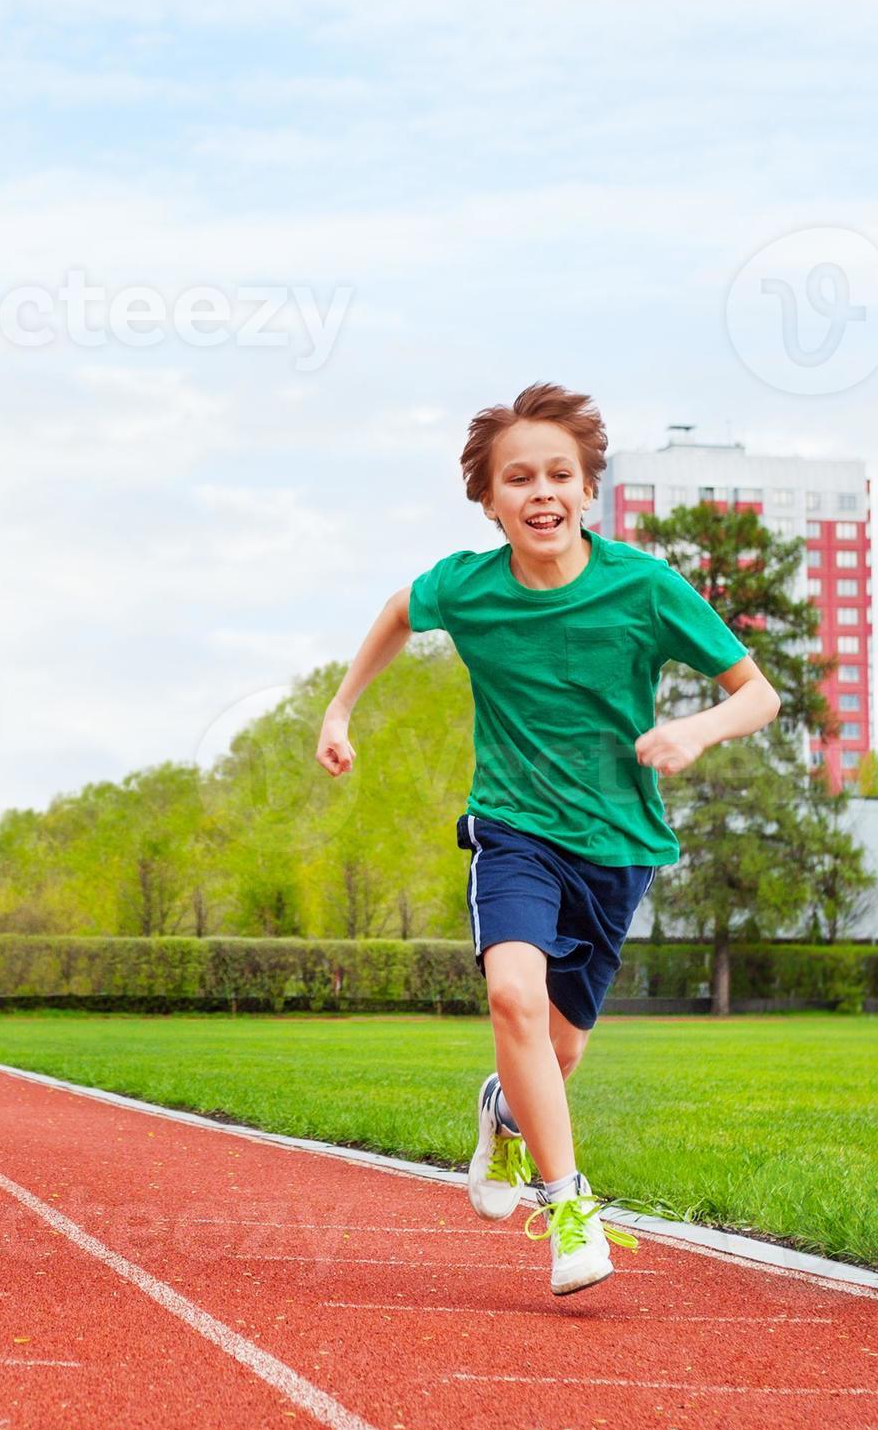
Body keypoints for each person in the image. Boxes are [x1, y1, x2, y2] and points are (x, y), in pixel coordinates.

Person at [316, 384, 778, 1294]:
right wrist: (340, 707)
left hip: (617, 845)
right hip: (514, 827)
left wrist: (694, 730)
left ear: (586, 490)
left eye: (558, 474)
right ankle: (570, 1210)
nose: (540, 492)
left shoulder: (646, 589)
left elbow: (757, 695)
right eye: (517, 477)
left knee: (555, 1057)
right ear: (488, 500)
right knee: (513, 1002)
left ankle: (507, 1110)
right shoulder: (468, 587)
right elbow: (399, 611)